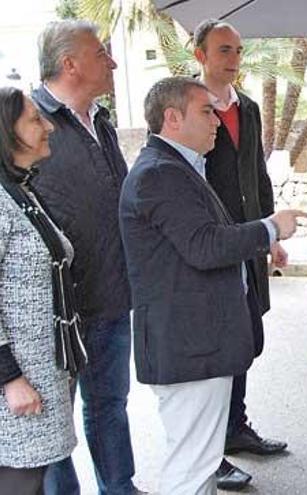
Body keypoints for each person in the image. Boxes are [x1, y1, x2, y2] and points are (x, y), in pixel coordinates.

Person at [119, 76, 303, 495]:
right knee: (190, 468)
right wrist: (269, 228)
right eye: (206, 111)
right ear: (172, 117)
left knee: (197, 464)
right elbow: (204, 245)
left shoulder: (178, 167)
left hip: (197, 344)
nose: (217, 120)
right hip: (189, 346)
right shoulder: (159, 174)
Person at [29, 20, 138, 495]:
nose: (112, 62)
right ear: (70, 63)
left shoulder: (103, 121)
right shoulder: (26, 124)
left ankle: (120, 488)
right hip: (56, 312)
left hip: (112, 299)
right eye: (101, 54)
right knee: (53, 424)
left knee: (110, 405)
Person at [191, 19, 288, 490]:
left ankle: (235, 428)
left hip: (249, 242)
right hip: (210, 247)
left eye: (238, 51)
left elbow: (257, 174)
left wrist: (271, 235)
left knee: (247, 339)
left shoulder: (247, 108)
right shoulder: (184, 107)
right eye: (224, 50)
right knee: (218, 348)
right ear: (200, 57)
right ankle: (212, 450)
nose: (234, 59)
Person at [0, 86, 86, 494]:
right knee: (19, 481)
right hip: (18, 384)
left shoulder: (21, 191)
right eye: (35, 119)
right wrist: (10, 378)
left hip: (42, 373)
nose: (48, 125)